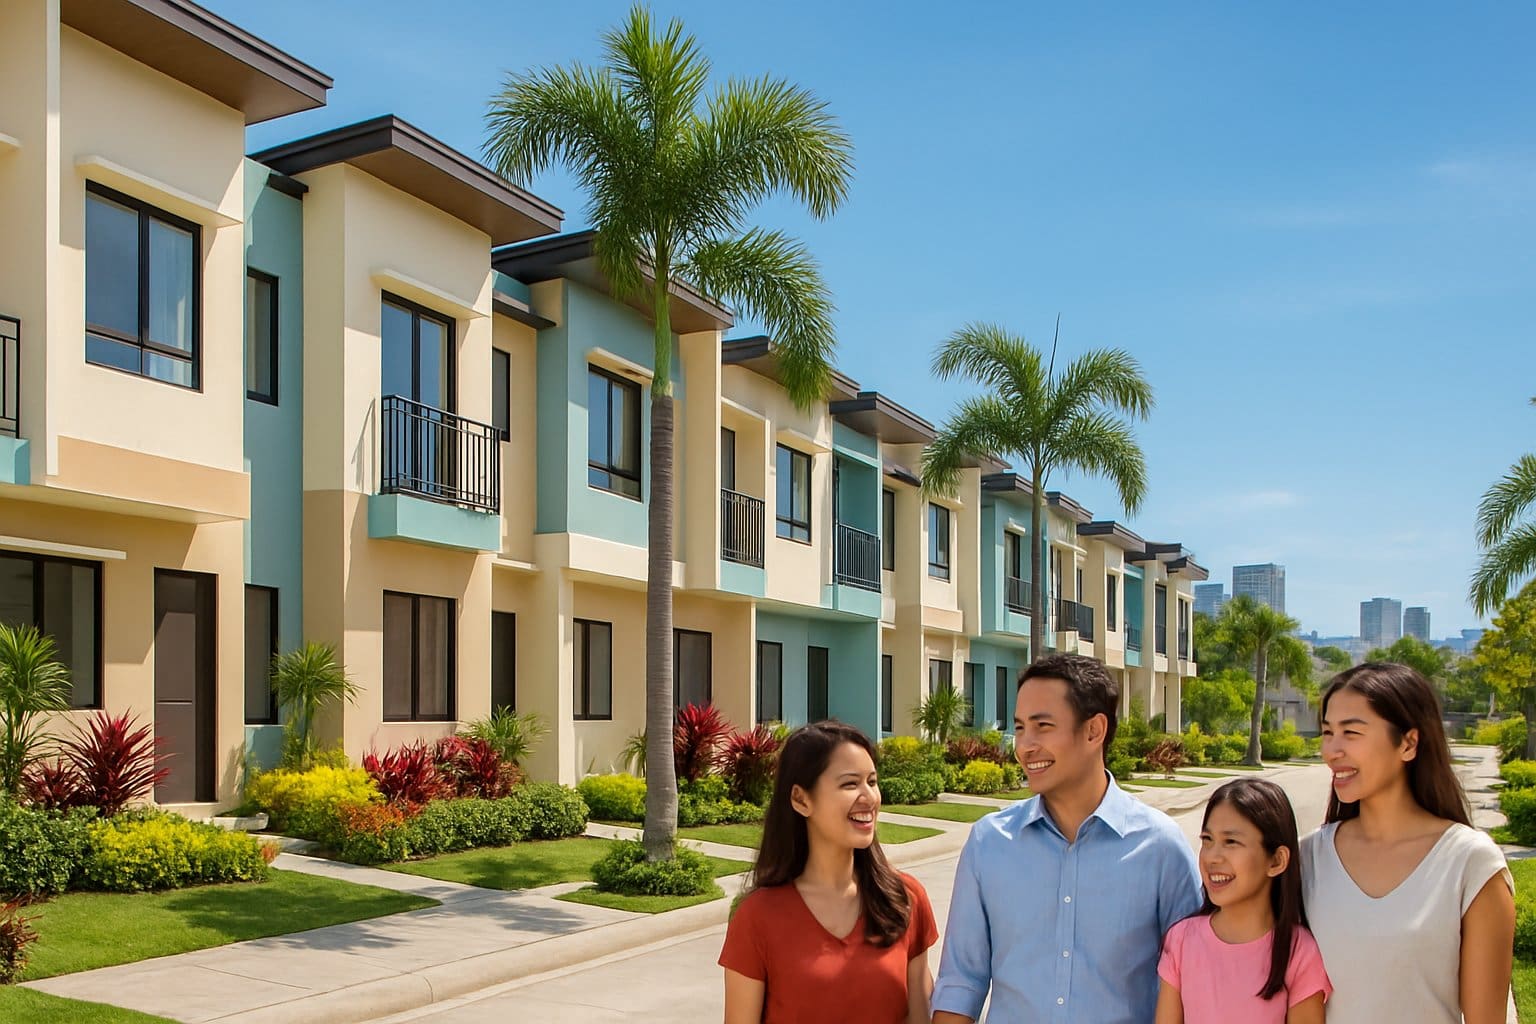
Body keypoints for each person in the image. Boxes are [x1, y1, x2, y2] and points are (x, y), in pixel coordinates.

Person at [932, 653, 1204, 1023]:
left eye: (1042, 726)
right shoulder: (989, 843)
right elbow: (961, 982)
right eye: (1021, 727)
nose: (1025, 746)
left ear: (1094, 731)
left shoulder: (1161, 848)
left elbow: (1194, 985)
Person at [1302, 662, 1515, 1023]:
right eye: (1327, 733)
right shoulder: (1308, 857)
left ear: (1408, 743)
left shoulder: (1470, 863)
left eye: (1351, 733)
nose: (1332, 750)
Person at [719, 720, 937, 1024]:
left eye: (872, 782)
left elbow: (919, 1017)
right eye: (850, 784)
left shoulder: (905, 899)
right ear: (800, 799)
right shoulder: (757, 917)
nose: (869, 797)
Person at [1155, 778, 1331, 1023]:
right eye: (1207, 840)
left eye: (1231, 842)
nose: (1212, 857)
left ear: (1276, 861)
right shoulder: (1181, 940)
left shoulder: (1298, 952)